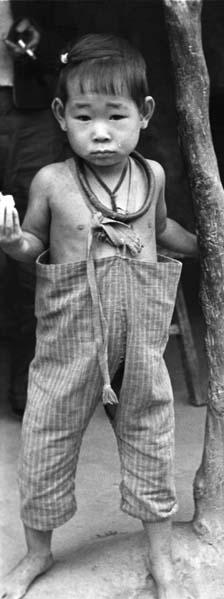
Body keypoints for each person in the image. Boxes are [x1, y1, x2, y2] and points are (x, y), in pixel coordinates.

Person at [0, 34, 224, 599]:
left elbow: (162, 232)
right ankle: (38, 552)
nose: (102, 132)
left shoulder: (153, 178)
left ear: (145, 114)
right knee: (43, 443)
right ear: (62, 117)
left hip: (139, 345)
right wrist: (15, 241)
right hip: (68, 346)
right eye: (85, 118)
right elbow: (35, 243)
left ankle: (161, 557)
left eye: (116, 116)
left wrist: (211, 248)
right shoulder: (52, 183)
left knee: (151, 441)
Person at [2, 12, 69, 415]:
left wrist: (41, 42)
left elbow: (70, 27)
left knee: (31, 236)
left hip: (29, 105)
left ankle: (28, 381)